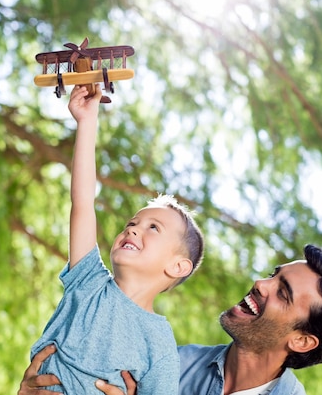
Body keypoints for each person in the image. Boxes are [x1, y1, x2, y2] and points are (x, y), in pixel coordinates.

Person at [26, 84, 205, 395]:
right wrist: (86, 121)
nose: (133, 229)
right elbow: (82, 204)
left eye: (153, 228)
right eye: (132, 222)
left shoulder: (160, 345)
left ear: (178, 266)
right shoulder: (89, 280)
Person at [19, 244, 322, 395]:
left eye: (282, 292)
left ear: (301, 340)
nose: (260, 283)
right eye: (273, 274)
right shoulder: (170, 363)